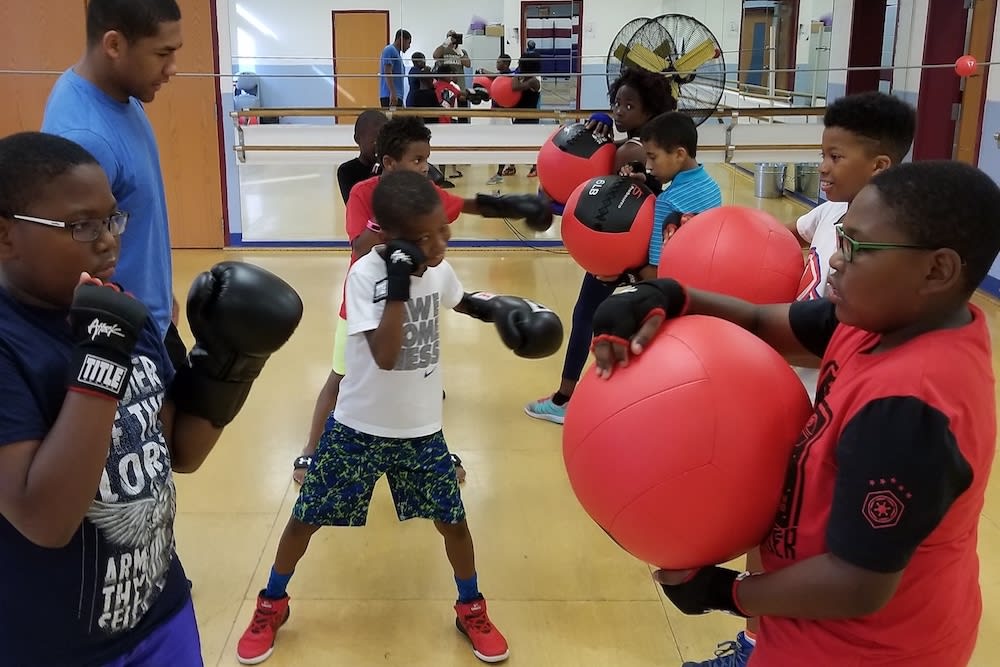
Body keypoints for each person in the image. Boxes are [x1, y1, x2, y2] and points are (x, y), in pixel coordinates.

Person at [589, 159, 1000, 667]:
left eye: (857, 248)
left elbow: (859, 582)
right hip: (813, 628)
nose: (835, 261)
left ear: (937, 270)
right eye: (840, 239)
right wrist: (669, 295)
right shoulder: (886, 320)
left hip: (869, 652)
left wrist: (727, 592)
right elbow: (760, 321)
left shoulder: (909, 406)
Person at [0, 131, 302, 666]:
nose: (107, 241)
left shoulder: (123, 314)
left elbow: (179, 450)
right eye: (82, 226)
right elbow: (45, 520)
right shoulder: (15, 346)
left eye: (112, 220)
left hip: (160, 610)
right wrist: (101, 355)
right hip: (51, 645)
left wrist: (231, 363)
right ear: (6, 236)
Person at [237, 170, 561, 665]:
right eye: (426, 237)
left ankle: (471, 607)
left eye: (443, 230)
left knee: (454, 525)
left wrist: (498, 311)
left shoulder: (436, 268)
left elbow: (459, 299)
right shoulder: (367, 276)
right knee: (304, 520)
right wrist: (397, 284)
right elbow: (386, 355)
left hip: (421, 431)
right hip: (357, 429)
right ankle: (272, 602)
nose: (440, 243)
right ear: (392, 239)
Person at [680, 90, 918, 667]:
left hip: (824, 395)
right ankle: (752, 644)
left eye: (835, 157)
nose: (823, 167)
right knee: (774, 524)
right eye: (822, 154)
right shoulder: (829, 214)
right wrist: (716, 245)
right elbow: (786, 237)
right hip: (787, 372)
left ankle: (766, 640)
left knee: (804, 531)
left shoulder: (893, 249)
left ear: (879, 165)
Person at [292, 116, 552, 484]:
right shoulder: (364, 194)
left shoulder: (426, 199)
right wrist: (390, 226)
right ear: (389, 162)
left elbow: (464, 203)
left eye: (427, 159)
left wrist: (513, 205)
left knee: (420, 381)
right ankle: (311, 448)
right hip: (362, 307)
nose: (424, 167)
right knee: (340, 377)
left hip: (414, 311)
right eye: (416, 160)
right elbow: (360, 246)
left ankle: (433, 451)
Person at [523, 68, 681, 425]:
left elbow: (603, 203)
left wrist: (555, 200)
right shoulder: (655, 143)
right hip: (644, 248)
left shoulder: (631, 150)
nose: (619, 111)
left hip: (623, 247)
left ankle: (565, 398)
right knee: (639, 319)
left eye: (629, 106)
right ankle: (643, 399)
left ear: (649, 110)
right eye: (616, 104)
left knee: (587, 315)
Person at [41, 0, 186, 369]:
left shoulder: (117, 95)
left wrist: (158, 290)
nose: (172, 68)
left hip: (147, 318)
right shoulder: (86, 137)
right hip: (120, 339)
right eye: (162, 54)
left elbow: (131, 212)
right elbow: (68, 263)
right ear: (114, 45)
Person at [336, 110, 389, 204]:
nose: (380, 146)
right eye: (374, 141)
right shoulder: (347, 170)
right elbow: (354, 204)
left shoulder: (392, 166)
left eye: (385, 140)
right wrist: (377, 168)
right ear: (357, 139)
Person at [379, 29, 411, 108]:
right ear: (401, 39)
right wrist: (393, 93)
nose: (409, 46)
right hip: (389, 96)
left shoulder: (397, 55)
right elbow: (387, 72)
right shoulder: (390, 50)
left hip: (397, 96)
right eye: (408, 43)